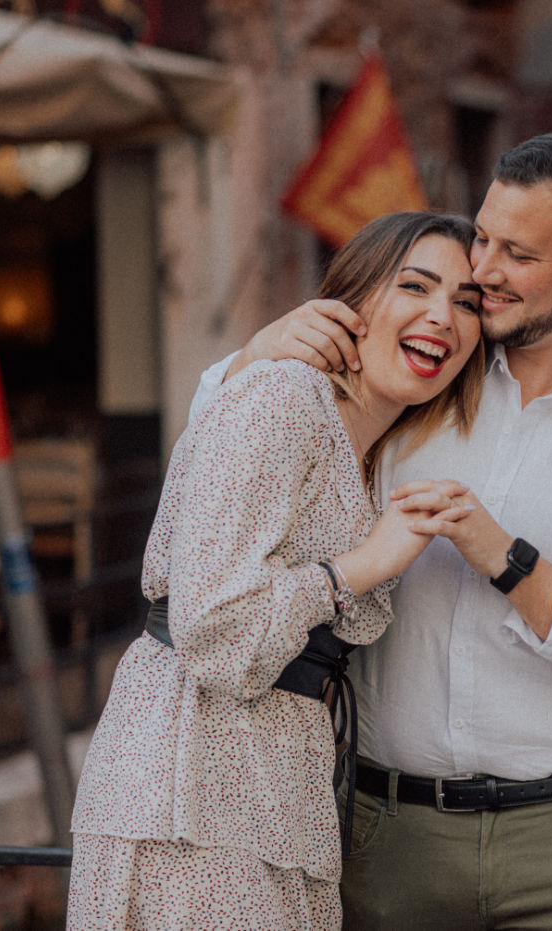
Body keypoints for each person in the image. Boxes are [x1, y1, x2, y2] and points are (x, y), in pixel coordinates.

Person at [191, 130, 552, 930]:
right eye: (483, 235)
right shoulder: (422, 379)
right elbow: (226, 468)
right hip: (388, 828)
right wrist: (253, 358)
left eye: (518, 253)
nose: (482, 269)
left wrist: (509, 562)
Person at [66, 211, 487, 931]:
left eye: (468, 302)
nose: (442, 316)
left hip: (272, 788)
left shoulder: (365, 449)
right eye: (415, 286)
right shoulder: (281, 398)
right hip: (191, 787)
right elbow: (213, 628)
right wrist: (357, 567)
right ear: (351, 302)